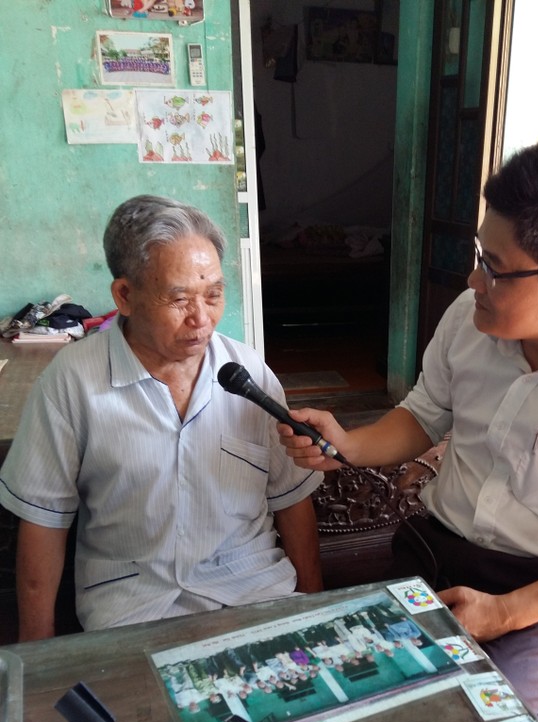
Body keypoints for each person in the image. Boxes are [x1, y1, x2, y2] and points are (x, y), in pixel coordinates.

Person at [278, 140, 538, 717]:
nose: (474, 281)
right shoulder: (468, 320)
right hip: (435, 547)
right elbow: (424, 414)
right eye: (481, 256)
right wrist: (349, 446)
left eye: (495, 269)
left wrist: (504, 613)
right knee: (351, 699)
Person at [0, 195, 323, 640]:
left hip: (254, 592)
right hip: (131, 606)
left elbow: (291, 497)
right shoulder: (71, 383)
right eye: (178, 299)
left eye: (213, 295)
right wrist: (36, 656)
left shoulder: (249, 375)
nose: (201, 319)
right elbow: (43, 521)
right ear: (125, 295)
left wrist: (315, 607)